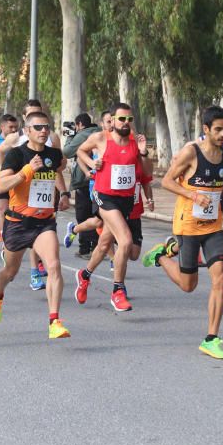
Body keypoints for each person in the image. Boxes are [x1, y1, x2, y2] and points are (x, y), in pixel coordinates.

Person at [141, 106, 223, 359]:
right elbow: (166, 181)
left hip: (213, 227)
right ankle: (163, 255)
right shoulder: (191, 152)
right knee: (188, 285)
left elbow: (221, 180)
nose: (222, 134)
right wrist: (193, 194)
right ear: (206, 129)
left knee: (220, 278)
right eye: (217, 129)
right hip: (187, 226)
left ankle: (211, 338)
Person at [0, 110, 72, 339]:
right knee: (10, 272)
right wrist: (26, 171)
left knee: (54, 266)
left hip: (44, 223)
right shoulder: (16, 155)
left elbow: (58, 168)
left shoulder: (54, 155)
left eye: (46, 126)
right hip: (18, 223)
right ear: (27, 131)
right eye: (38, 127)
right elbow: (1, 185)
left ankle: (54, 321)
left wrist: (63, 193)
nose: (43, 131)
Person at [73, 103, 152, 312]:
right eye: (121, 119)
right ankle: (118, 290)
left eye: (129, 120)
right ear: (113, 121)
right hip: (104, 197)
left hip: (125, 200)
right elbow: (79, 150)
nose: (125, 123)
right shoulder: (101, 138)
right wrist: (91, 165)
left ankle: (84, 275)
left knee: (103, 244)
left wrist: (144, 154)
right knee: (125, 241)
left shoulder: (135, 141)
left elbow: (145, 172)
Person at [61, 112, 101, 257]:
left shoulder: (83, 134)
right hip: (100, 180)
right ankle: (95, 247)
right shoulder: (99, 132)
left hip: (85, 181)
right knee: (97, 215)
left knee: (83, 215)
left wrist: (70, 136)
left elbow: (67, 152)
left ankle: (86, 247)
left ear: (79, 125)